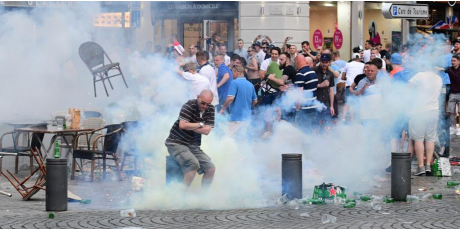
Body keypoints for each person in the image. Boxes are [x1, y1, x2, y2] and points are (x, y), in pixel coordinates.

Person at [165, 90, 216, 189]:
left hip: (192, 145)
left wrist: (189, 125)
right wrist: (200, 124)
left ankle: (204, 197)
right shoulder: (189, 105)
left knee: (211, 168)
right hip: (175, 142)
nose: (205, 106)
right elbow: (182, 125)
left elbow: (207, 131)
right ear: (198, 97)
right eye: (203, 103)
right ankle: (181, 196)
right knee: (193, 163)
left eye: (208, 104)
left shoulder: (211, 109)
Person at [409, 68, 443, 176]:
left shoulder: (419, 75)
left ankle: (421, 166)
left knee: (418, 139)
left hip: (420, 110)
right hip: (433, 110)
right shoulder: (438, 78)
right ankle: (428, 164)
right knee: (430, 138)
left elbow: (407, 89)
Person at [219, 65, 258, 137]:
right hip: (246, 118)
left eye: (232, 72)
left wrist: (223, 109)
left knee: (229, 138)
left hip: (235, 118)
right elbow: (255, 101)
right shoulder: (250, 85)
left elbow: (230, 98)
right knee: (242, 140)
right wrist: (247, 106)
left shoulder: (234, 82)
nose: (232, 74)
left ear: (237, 72)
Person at [295, 55, 319, 133]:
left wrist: (297, 109)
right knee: (312, 131)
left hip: (305, 109)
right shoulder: (312, 72)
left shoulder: (300, 74)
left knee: (304, 132)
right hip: (314, 107)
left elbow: (299, 95)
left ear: (297, 62)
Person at [313, 54, 335, 129]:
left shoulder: (330, 74)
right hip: (315, 102)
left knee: (326, 124)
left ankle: (325, 139)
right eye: (323, 62)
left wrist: (331, 106)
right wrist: (320, 85)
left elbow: (331, 90)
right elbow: (309, 86)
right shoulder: (314, 71)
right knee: (315, 125)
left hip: (326, 102)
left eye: (326, 62)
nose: (324, 64)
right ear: (320, 61)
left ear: (329, 63)